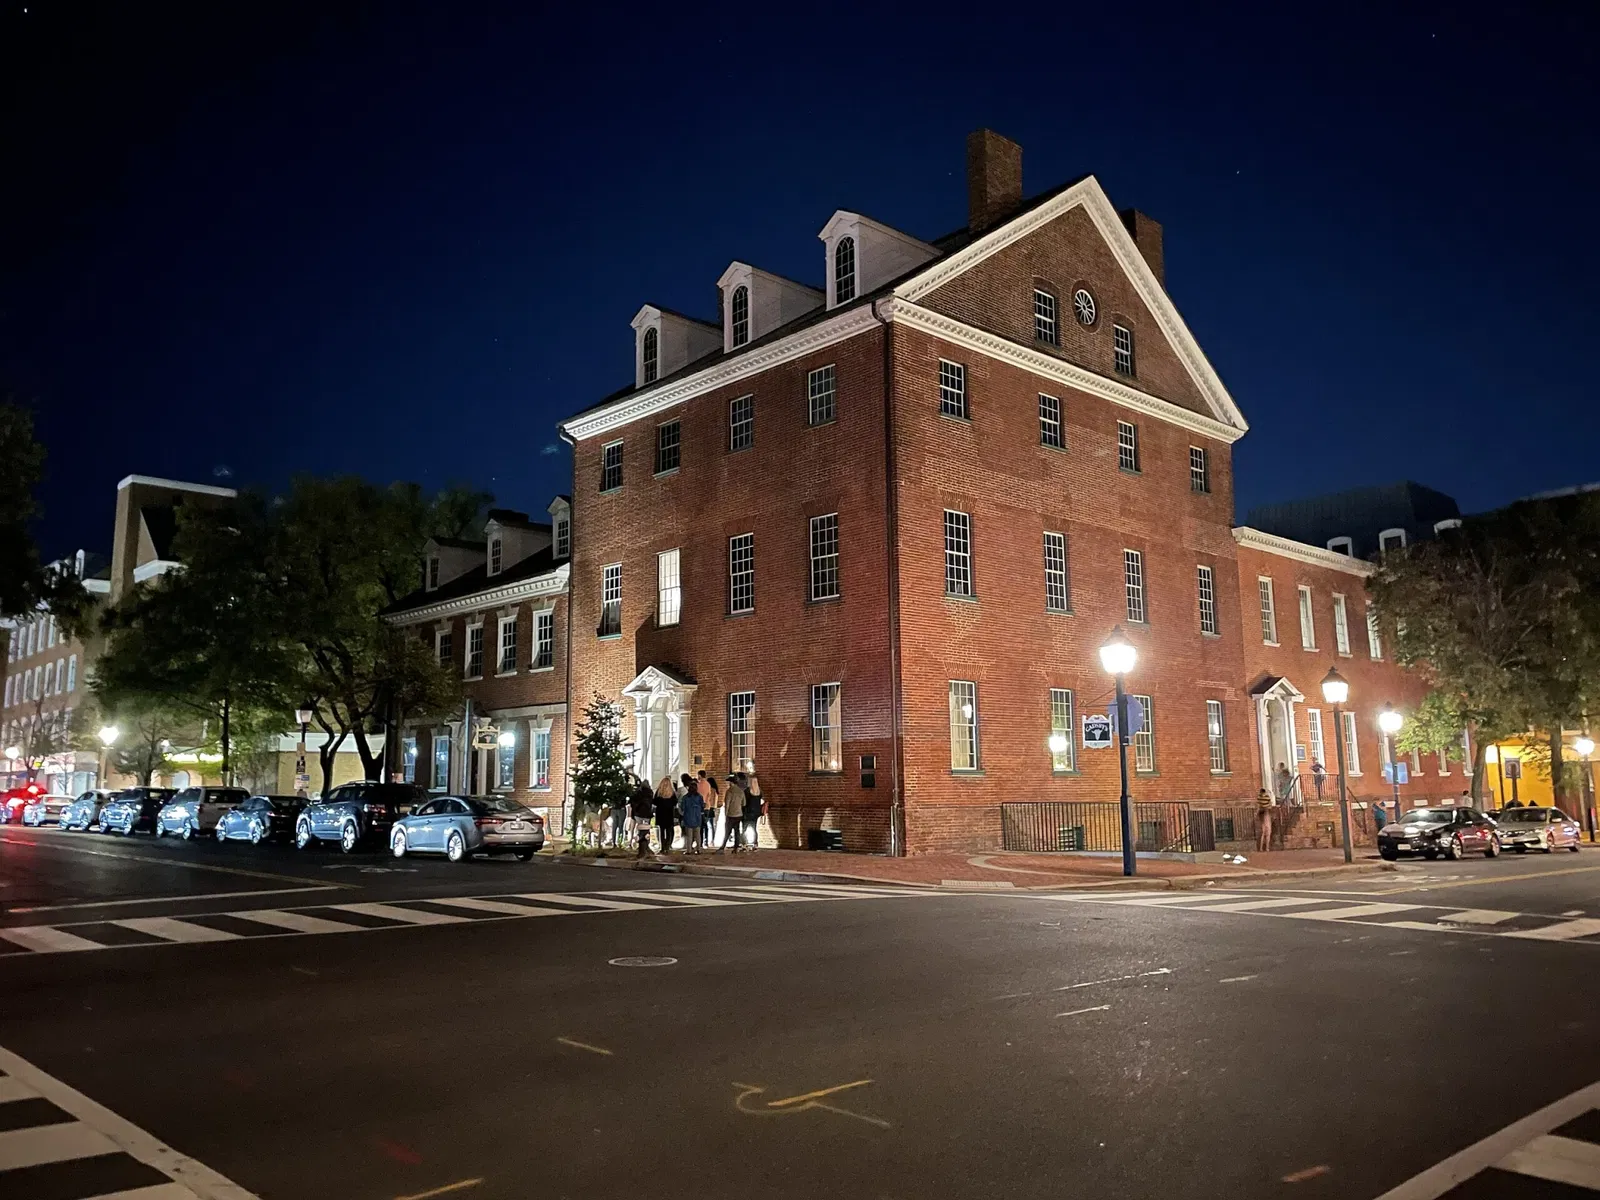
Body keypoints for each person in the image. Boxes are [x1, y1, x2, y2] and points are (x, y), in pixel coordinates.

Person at [629, 778, 656, 858]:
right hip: (646, 815)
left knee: (641, 831)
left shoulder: (637, 792)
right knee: (646, 831)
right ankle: (645, 848)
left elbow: (632, 803)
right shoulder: (650, 793)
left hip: (638, 814)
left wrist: (634, 812)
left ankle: (642, 849)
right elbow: (652, 803)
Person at [652, 776, 678, 854]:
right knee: (669, 830)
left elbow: (654, 802)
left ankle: (663, 847)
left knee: (661, 831)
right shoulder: (672, 793)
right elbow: (675, 802)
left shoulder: (658, 793)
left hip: (660, 814)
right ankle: (667, 846)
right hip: (669, 813)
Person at [679, 777, 705, 854]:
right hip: (697, 817)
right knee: (698, 835)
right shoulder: (700, 797)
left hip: (688, 817)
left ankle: (689, 850)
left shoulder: (685, 797)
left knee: (689, 835)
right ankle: (698, 849)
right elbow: (702, 806)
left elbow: (683, 807)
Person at [721, 774, 745, 852]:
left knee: (727, 831)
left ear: (731, 782)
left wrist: (726, 814)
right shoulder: (741, 791)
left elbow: (727, 804)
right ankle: (736, 847)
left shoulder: (729, 791)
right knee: (737, 831)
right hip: (739, 814)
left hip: (731, 814)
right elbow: (744, 803)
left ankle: (723, 845)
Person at [741, 769, 764, 851]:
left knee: (744, 829)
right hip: (756, 812)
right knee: (754, 829)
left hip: (748, 812)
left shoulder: (747, 791)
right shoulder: (759, 791)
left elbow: (744, 802)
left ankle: (744, 844)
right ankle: (755, 843)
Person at [1256, 788, 1275, 852]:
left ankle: (1261, 848)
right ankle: (1267, 848)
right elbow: (1270, 805)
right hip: (1266, 812)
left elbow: (1258, 806)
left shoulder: (1258, 797)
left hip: (1261, 813)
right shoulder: (1267, 797)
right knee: (1268, 832)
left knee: (1262, 832)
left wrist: (1257, 813)